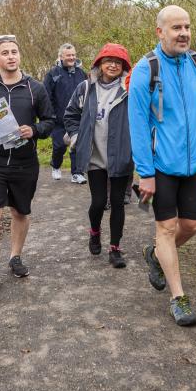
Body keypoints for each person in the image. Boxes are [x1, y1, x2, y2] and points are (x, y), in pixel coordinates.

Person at [128, 5, 196, 326]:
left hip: (193, 165)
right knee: (165, 229)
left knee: (192, 226)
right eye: (176, 28)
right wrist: (146, 173)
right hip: (161, 167)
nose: (183, 33)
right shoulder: (145, 71)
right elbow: (137, 125)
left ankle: (154, 255)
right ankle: (178, 298)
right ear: (160, 32)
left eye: (187, 26)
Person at [0, 35, 55, 292]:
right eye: (5, 53)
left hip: (24, 162)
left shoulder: (35, 88)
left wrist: (35, 130)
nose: (10, 56)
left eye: (14, 52)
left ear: (19, 55)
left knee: (19, 212)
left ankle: (15, 257)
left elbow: (50, 121)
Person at [64, 43, 133, 269]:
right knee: (98, 202)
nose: (112, 65)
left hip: (121, 155)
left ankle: (115, 248)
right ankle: (94, 232)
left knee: (118, 203)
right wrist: (76, 138)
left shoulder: (130, 89)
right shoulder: (86, 88)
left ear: (124, 66)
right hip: (95, 157)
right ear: (99, 64)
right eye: (108, 61)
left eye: (117, 62)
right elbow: (71, 114)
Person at [43, 43, 88, 183]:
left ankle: (77, 173)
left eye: (73, 55)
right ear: (61, 56)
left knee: (77, 145)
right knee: (60, 146)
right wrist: (51, 115)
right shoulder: (52, 74)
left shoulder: (82, 74)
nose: (72, 57)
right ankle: (55, 165)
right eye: (68, 55)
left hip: (77, 119)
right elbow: (46, 95)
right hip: (58, 119)